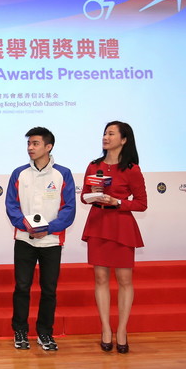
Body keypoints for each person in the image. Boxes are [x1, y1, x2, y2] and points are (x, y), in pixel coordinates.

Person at [6, 126, 76, 352]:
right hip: (25, 240)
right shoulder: (19, 173)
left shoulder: (62, 174)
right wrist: (27, 226)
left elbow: (68, 209)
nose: (30, 148)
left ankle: (45, 332)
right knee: (22, 287)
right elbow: (12, 206)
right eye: (29, 144)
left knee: (49, 289)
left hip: (51, 242)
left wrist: (48, 229)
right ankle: (20, 330)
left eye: (35, 144)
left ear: (49, 147)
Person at [80, 121, 147, 354]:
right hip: (98, 222)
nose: (105, 137)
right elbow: (84, 197)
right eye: (104, 133)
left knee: (125, 280)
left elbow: (141, 203)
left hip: (121, 225)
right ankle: (106, 329)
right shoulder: (94, 165)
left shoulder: (132, 169)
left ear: (124, 139)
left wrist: (117, 201)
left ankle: (122, 330)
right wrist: (93, 196)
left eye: (111, 134)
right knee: (100, 277)